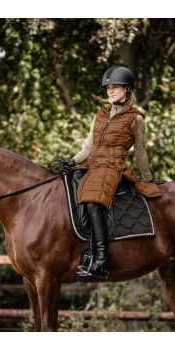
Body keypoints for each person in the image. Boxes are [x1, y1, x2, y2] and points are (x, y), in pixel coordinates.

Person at [60, 66, 164, 279]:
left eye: (115, 87)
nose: (110, 91)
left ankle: (101, 260)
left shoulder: (136, 119)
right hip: (92, 165)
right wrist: (70, 162)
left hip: (113, 168)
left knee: (92, 200)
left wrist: (148, 179)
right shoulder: (100, 114)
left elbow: (140, 151)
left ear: (127, 89)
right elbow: (88, 148)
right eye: (108, 87)